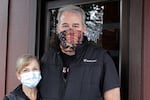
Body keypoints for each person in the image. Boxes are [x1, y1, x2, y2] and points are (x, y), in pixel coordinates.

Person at [39, 5, 120, 100]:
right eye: (65, 26)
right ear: (57, 29)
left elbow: (113, 97)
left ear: (84, 28)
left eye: (75, 26)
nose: (70, 30)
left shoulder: (101, 58)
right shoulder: (47, 58)